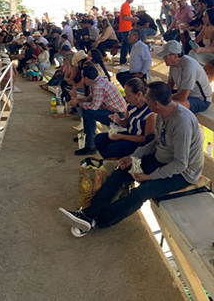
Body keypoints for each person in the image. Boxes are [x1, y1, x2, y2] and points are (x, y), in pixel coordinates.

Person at [60, 82, 204, 236]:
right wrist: (133, 157)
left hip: (183, 173)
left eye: (147, 99)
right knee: (121, 171)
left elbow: (180, 164)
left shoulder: (181, 122)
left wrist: (149, 176)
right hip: (162, 160)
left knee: (141, 192)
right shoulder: (163, 114)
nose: (144, 101)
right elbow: (156, 142)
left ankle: (99, 220)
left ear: (155, 104)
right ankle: (88, 215)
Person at [95, 78, 156, 159]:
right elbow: (126, 123)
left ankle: (115, 163)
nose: (126, 98)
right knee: (99, 139)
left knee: (113, 149)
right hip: (130, 134)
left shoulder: (150, 112)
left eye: (128, 95)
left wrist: (121, 136)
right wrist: (118, 120)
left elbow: (147, 140)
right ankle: (109, 162)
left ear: (138, 94)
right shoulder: (131, 105)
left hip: (139, 142)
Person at [73, 65, 127, 155]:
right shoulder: (99, 80)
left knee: (89, 112)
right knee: (87, 109)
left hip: (118, 116)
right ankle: (87, 136)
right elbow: (92, 98)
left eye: (82, 77)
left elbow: (94, 107)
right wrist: (79, 98)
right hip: (113, 111)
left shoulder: (97, 86)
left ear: (86, 78)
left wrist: (78, 104)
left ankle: (91, 146)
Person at [157, 41, 212, 113]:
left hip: (200, 100)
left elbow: (183, 96)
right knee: (156, 97)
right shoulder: (173, 64)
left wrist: (165, 97)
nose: (163, 59)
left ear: (175, 56)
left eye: (165, 56)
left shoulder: (189, 66)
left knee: (166, 106)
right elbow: (170, 85)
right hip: (186, 94)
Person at [117, 0, 136, 64]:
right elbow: (125, 17)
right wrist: (133, 18)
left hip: (124, 28)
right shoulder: (125, 5)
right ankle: (133, 61)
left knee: (124, 46)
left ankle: (122, 61)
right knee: (130, 45)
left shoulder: (126, 5)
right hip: (126, 28)